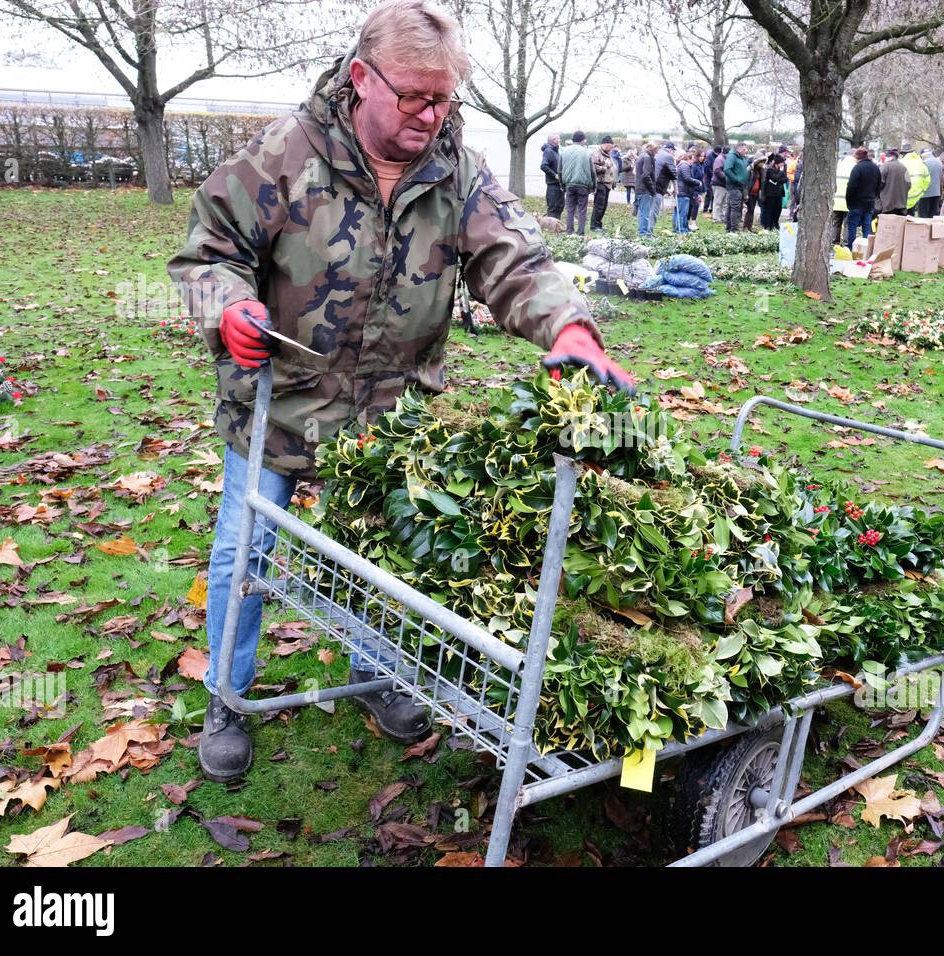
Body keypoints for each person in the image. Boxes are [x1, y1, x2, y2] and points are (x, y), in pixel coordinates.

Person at [167, 0, 634, 783]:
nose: (430, 114)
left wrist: (569, 330)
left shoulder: (460, 172)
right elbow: (206, 254)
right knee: (243, 554)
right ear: (361, 78)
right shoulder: (281, 155)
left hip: (392, 415)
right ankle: (228, 694)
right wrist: (228, 308)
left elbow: (515, 263)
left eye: (445, 98)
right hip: (281, 405)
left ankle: (377, 671)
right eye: (414, 96)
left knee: (377, 559)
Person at [559, 130, 596, 234]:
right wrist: (593, 186)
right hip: (583, 186)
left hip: (569, 185)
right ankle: (580, 233)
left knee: (570, 210)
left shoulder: (564, 151)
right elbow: (593, 171)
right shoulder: (587, 152)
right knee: (582, 210)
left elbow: (560, 170)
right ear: (583, 140)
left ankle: (569, 232)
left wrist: (562, 185)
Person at [845, 146, 880, 247]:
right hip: (869, 203)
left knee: (852, 226)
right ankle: (866, 248)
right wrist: (873, 197)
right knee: (867, 226)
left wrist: (849, 201)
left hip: (856, 203)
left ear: (858, 157)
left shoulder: (857, 168)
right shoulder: (875, 168)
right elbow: (879, 185)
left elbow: (851, 187)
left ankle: (851, 247)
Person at [589, 135, 617, 231]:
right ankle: (594, 226)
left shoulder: (607, 154)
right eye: (611, 146)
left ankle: (599, 224)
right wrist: (605, 167)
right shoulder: (596, 154)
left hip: (607, 183)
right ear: (606, 145)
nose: (612, 148)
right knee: (599, 205)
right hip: (600, 183)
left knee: (603, 206)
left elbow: (612, 168)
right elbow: (593, 168)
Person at [674, 149, 702, 233]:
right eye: (692, 159)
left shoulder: (682, 166)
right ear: (688, 159)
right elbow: (687, 178)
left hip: (683, 191)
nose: (693, 161)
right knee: (682, 212)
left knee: (681, 212)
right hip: (683, 192)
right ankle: (681, 229)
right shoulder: (684, 166)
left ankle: (682, 227)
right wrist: (698, 182)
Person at [877, 148, 910, 216]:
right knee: (898, 225)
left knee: (887, 226)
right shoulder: (904, 167)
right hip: (901, 205)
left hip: (887, 205)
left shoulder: (885, 166)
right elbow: (909, 184)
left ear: (889, 156)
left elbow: (879, 184)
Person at [724, 142, 749, 232]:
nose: (746, 151)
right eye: (744, 149)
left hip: (740, 186)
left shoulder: (741, 157)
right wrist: (736, 179)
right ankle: (733, 229)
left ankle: (730, 228)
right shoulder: (732, 156)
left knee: (733, 207)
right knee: (735, 208)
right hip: (734, 186)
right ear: (740, 149)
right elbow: (727, 169)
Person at [635, 141, 658, 235]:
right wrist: (652, 189)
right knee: (645, 213)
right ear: (653, 150)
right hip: (645, 189)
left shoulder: (641, 156)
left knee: (641, 213)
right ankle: (643, 234)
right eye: (656, 151)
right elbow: (646, 175)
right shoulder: (647, 158)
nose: (656, 153)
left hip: (640, 188)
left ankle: (642, 232)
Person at [652, 141, 677, 230]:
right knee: (654, 211)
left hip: (650, 186)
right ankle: (648, 234)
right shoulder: (668, 157)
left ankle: (645, 232)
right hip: (657, 188)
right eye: (673, 150)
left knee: (648, 211)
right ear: (670, 149)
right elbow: (673, 174)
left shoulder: (657, 154)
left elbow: (660, 171)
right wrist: (675, 189)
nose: (674, 152)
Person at [899, 141, 929, 214]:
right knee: (911, 221)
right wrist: (921, 192)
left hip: (902, 198)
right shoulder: (921, 163)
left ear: (903, 153)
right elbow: (927, 180)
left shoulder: (900, 163)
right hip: (915, 197)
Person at [760, 152, 787, 229]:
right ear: (777, 163)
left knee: (778, 209)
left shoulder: (781, 171)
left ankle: (775, 223)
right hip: (771, 193)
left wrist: (779, 179)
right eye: (781, 163)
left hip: (779, 193)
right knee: (770, 209)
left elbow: (785, 179)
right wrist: (780, 175)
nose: (782, 165)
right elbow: (775, 178)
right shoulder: (770, 170)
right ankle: (768, 225)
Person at [540, 133, 563, 218]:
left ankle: (557, 226)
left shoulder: (556, 151)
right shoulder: (548, 151)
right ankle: (550, 228)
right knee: (553, 207)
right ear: (552, 140)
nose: (559, 140)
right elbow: (543, 166)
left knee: (560, 206)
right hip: (552, 185)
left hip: (559, 184)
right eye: (557, 139)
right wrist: (555, 175)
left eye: (559, 138)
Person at [743, 151, 766, 231]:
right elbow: (745, 182)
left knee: (752, 210)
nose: (763, 163)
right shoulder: (750, 169)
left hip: (756, 193)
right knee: (749, 210)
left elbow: (762, 182)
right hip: (749, 192)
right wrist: (745, 194)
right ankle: (746, 227)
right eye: (761, 161)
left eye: (764, 161)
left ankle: (749, 227)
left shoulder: (762, 170)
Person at [920, 147, 943, 217]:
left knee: (923, 215)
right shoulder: (939, 162)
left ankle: (923, 228)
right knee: (933, 215)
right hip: (936, 193)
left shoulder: (924, 163)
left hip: (925, 193)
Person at [688, 148, 706, 229]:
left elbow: (702, 178)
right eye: (701, 156)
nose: (702, 158)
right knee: (694, 205)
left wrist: (703, 189)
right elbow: (692, 178)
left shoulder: (701, 166)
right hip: (694, 189)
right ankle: (691, 222)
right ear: (697, 156)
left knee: (696, 206)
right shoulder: (694, 166)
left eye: (703, 156)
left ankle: (691, 222)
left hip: (699, 189)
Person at [711, 145, 730, 222]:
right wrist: (727, 178)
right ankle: (716, 218)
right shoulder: (719, 159)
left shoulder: (726, 158)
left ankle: (722, 217)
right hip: (718, 184)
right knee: (718, 202)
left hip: (724, 184)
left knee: (724, 202)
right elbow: (717, 171)